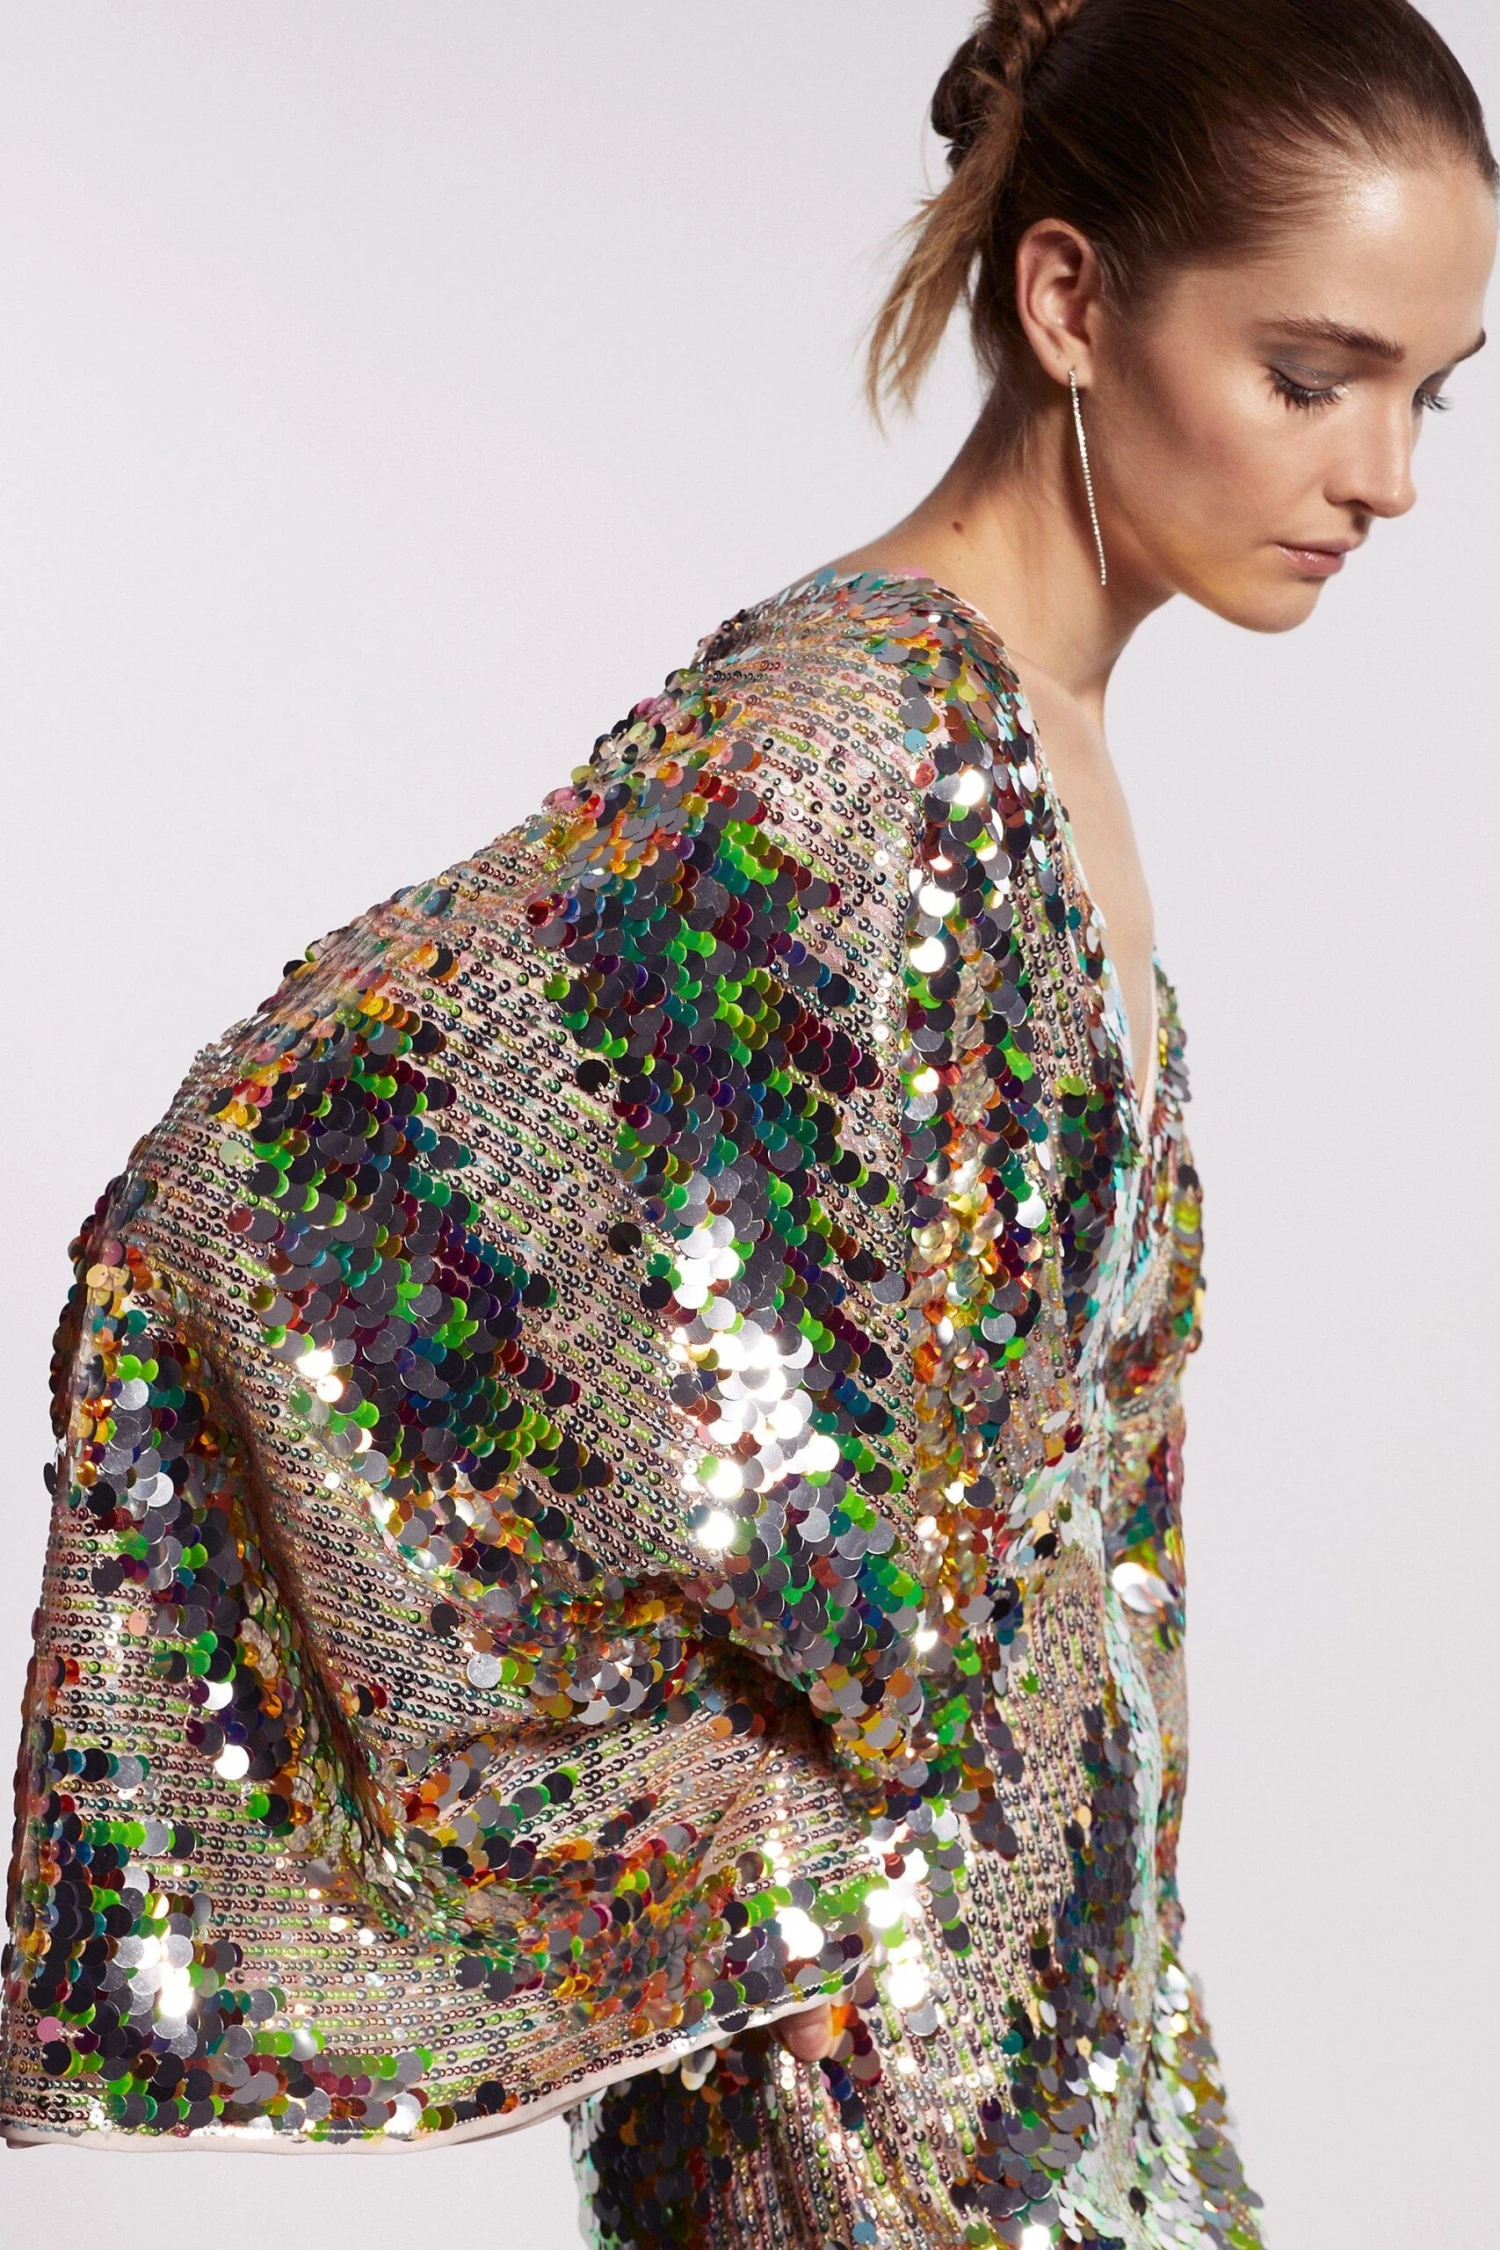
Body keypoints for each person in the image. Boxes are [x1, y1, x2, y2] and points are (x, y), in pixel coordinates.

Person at [2, 3, 1492, 2245]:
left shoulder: (1039, 728)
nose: (1387, 476)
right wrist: (692, 1841)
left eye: (1430, 392)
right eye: (1313, 377)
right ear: (1069, 300)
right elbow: (241, 1204)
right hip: (862, 2074)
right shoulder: (844, 751)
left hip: (1065, 2016)